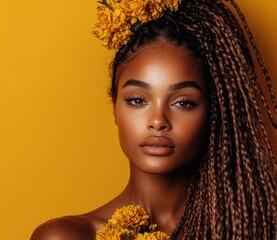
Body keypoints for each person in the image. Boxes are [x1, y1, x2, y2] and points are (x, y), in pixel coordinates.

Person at [31, 0, 277, 239]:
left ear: (214, 111)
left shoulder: (252, 228)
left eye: (183, 103)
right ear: (115, 107)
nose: (158, 120)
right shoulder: (67, 236)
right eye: (137, 100)